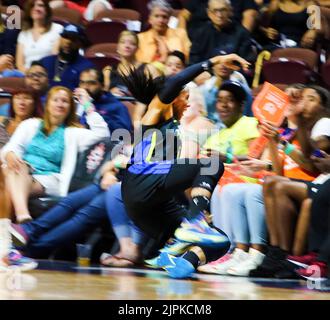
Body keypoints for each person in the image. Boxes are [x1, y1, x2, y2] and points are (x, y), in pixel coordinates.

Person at [119, 54, 250, 278]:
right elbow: (175, 81)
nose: (188, 103)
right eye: (185, 97)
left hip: (147, 204)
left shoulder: (174, 131)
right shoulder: (156, 111)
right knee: (211, 164)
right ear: (172, 98)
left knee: (220, 240)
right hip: (141, 179)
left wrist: (197, 206)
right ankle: (193, 223)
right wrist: (211, 62)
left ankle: (180, 260)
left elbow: (177, 178)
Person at [250, 85, 330, 278]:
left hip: (320, 182)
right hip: (313, 182)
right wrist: (276, 139)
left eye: (312, 99)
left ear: (324, 107)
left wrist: (284, 142)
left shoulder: (324, 123)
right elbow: (280, 171)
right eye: (305, 98)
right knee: (272, 182)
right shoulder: (302, 129)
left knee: (275, 183)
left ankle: (283, 255)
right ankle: (277, 252)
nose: (305, 102)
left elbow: (313, 162)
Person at [1, 86, 110, 223]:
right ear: (47, 104)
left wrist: (87, 105)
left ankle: (13, 227)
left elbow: (103, 135)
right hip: (21, 170)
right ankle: (22, 218)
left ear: (71, 107)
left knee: (8, 179)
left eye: (64, 101)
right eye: (55, 100)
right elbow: (12, 147)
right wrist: (10, 154)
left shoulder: (74, 133)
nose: (59, 104)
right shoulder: (30, 124)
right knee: (12, 170)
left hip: (49, 178)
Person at [202, 80, 259, 159]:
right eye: (220, 100)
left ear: (241, 106)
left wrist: (228, 158)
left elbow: (257, 158)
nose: (223, 105)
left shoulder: (249, 123)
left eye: (230, 100)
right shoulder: (214, 137)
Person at [189, 0, 254, 65]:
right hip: (206, 73)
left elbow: (247, 63)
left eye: (223, 10)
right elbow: (193, 62)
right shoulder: (201, 33)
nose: (219, 15)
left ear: (230, 11)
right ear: (209, 13)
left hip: (234, 73)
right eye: (215, 10)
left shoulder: (241, 33)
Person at [199, 52, 252, 124]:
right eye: (219, 62)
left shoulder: (244, 90)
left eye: (227, 62)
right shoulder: (203, 91)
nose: (223, 65)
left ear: (233, 66)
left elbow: (248, 117)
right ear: (212, 66)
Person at [39, 23, 94, 90]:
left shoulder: (86, 67)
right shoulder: (45, 62)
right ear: (60, 39)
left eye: (73, 39)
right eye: (65, 37)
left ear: (80, 43)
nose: (68, 42)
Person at [77, 68, 133, 134]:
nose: (85, 87)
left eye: (91, 83)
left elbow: (124, 134)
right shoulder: (78, 104)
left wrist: (98, 115)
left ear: (103, 86)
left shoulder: (117, 106)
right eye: (82, 82)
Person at [136, 0, 191, 65]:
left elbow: (188, 59)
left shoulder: (180, 34)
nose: (160, 20)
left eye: (164, 17)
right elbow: (138, 63)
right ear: (150, 19)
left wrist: (167, 53)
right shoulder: (140, 38)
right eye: (156, 16)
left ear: (169, 19)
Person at [16, 0, 63, 73]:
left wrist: (38, 73)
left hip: (47, 73)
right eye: (32, 6)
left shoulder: (57, 29)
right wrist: (29, 74)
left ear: (47, 10)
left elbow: (54, 58)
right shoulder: (23, 34)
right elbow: (20, 64)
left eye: (40, 6)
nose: (36, 8)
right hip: (26, 74)